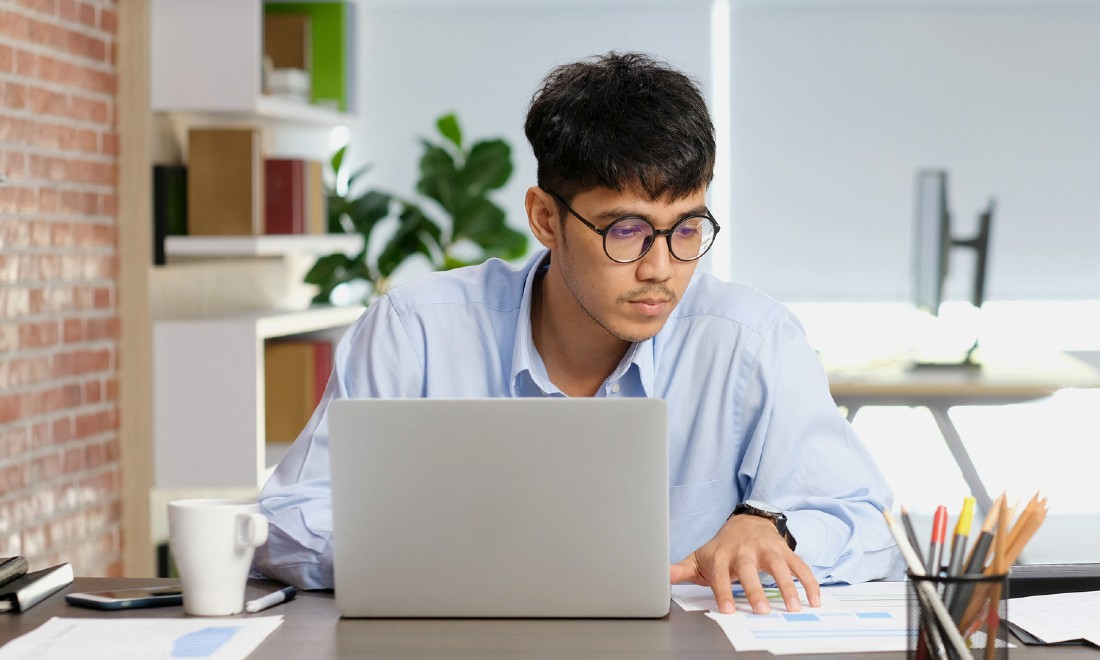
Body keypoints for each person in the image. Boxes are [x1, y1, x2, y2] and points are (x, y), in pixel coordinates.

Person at [254, 51, 898, 615]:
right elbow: (286, 521)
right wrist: (462, 556)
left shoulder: (752, 341)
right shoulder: (415, 332)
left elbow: (871, 523)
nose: (660, 268)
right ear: (544, 218)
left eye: (687, 229)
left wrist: (773, 530)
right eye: (625, 231)